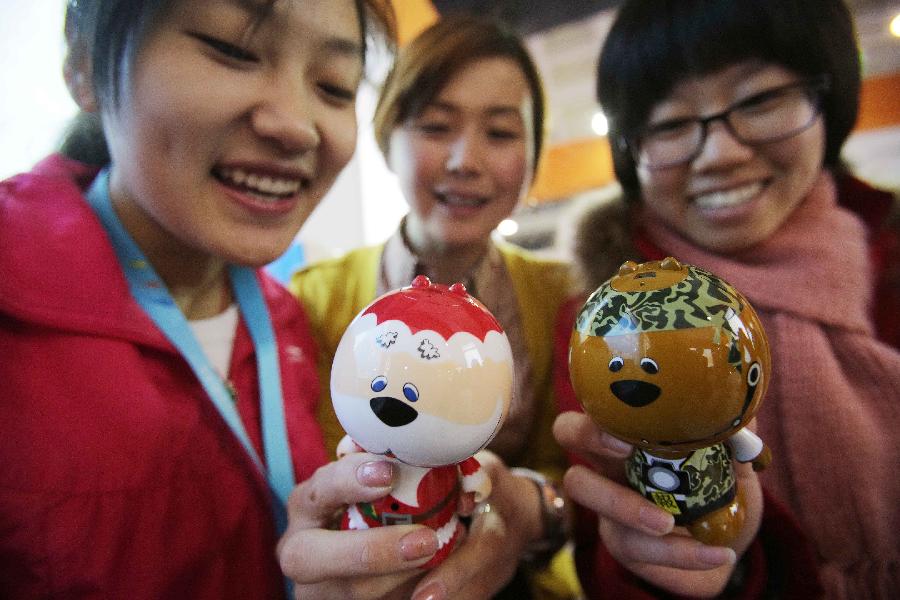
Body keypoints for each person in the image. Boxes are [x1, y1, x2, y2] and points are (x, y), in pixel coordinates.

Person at [0, 0, 395, 597]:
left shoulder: (288, 324)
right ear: (84, 63)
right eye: (232, 50)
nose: (295, 125)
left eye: (334, 87)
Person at [551, 0, 900, 598]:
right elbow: (602, 554)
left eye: (760, 101)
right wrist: (692, 564)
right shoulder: (601, 325)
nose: (720, 154)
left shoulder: (890, 264)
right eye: (669, 124)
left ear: (828, 102)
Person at [286, 14, 579, 599]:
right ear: (387, 138)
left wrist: (532, 506)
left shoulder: (565, 295)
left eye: (500, 133)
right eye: (437, 126)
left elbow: (572, 473)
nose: (464, 160)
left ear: (532, 155)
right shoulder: (312, 298)